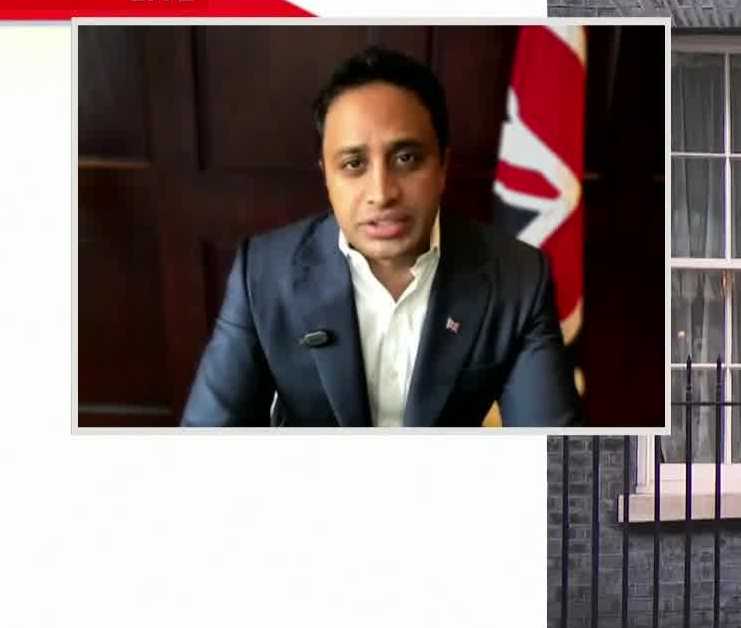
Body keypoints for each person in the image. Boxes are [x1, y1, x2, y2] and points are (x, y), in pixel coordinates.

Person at [181, 47, 584, 427]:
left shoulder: (519, 278)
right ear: (326, 175)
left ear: (443, 167)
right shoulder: (262, 272)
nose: (382, 193)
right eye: (354, 163)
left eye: (407, 158)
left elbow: (552, 450)